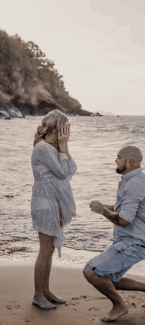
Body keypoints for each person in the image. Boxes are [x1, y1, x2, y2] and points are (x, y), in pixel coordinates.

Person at [83, 146, 145, 322]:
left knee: (91, 272)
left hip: (133, 243)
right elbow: (125, 210)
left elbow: (124, 221)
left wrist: (102, 211)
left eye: (119, 158)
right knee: (109, 279)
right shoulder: (131, 180)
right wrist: (103, 207)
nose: (116, 161)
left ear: (130, 162)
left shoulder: (134, 185)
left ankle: (120, 305)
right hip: (131, 241)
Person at [31, 110, 77, 309]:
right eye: (65, 129)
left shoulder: (53, 148)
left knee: (49, 248)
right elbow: (62, 171)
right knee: (45, 248)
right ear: (57, 128)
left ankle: (46, 291)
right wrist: (64, 146)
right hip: (44, 201)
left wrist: (63, 148)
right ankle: (37, 295)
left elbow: (71, 168)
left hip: (54, 201)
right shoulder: (43, 148)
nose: (67, 133)